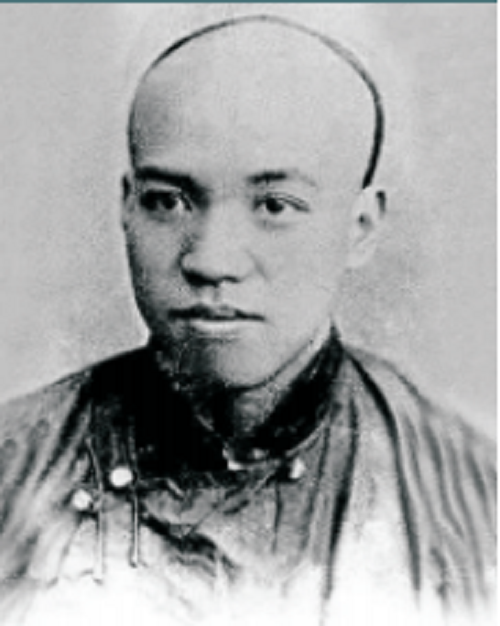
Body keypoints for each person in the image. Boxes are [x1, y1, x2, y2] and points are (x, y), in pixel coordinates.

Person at [0, 14, 495, 626]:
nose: (211, 260)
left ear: (360, 226)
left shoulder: (470, 504)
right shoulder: (14, 470)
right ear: (127, 207)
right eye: (167, 201)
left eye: (274, 206)